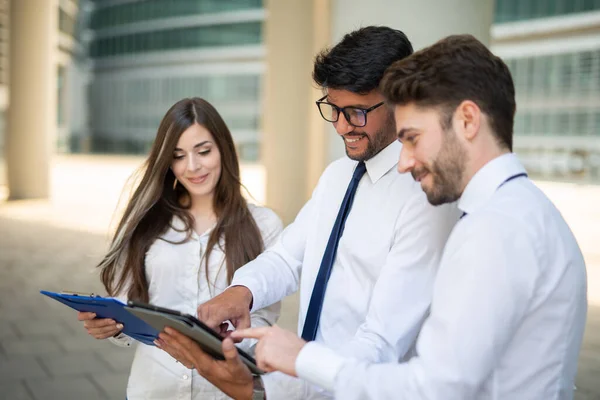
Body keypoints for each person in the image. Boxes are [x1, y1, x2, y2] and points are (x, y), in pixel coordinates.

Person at [226, 34, 589, 399]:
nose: (403, 161)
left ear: (467, 121)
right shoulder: (518, 214)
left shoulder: (495, 229)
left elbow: (431, 387)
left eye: (413, 138)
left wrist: (300, 363)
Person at [157, 27, 459, 399]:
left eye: (357, 112)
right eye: (333, 109)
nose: (341, 126)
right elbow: (288, 257)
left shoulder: (425, 198)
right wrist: (242, 290)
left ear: (400, 100)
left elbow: (381, 342)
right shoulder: (337, 176)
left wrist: (276, 387)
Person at [76, 97, 283, 400]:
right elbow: (127, 302)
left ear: (223, 148)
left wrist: (225, 346)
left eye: (203, 151)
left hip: (223, 391)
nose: (193, 166)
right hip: (153, 389)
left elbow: (263, 316)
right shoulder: (147, 223)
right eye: (178, 155)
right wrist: (113, 327)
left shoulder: (263, 224)